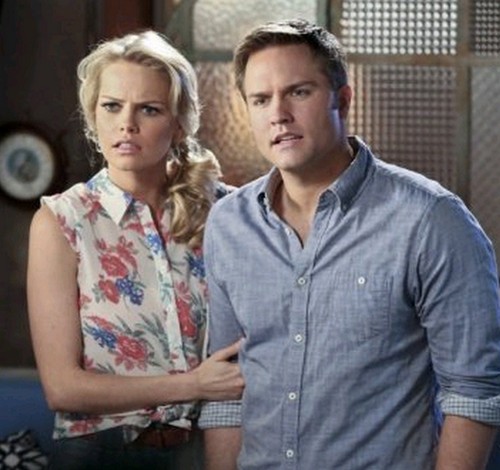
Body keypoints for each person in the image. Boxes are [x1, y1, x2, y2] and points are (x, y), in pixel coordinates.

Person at [198, 18, 500, 470]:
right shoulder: (228, 223)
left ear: (342, 98)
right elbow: (226, 393)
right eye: (261, 99)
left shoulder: (430, 220)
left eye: (299, 92)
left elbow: (474, 392)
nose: (279, 114)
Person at [26, 30, 244, 469]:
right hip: (99, 452)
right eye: (112, 106)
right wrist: (194, 385)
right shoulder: (61, 221)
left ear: (178, 124)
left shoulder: (225, 212)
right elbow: (62, 388)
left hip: (206, 447)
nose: (127, 124)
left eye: (149, 109)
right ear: (93, 116)